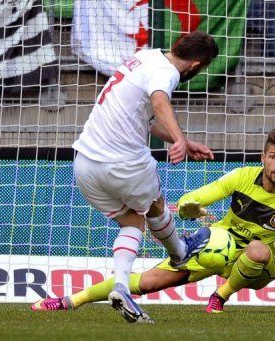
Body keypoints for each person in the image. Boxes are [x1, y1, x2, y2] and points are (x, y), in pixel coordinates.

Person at [32, 129, 275, 321]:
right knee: (145, 283)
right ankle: (68, 301)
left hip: (260, 266)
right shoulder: (241, 177)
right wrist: (188, 206)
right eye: (272, 157)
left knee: (259, 250)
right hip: (220, 248)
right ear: (262, 158)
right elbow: (195, 198)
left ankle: (219, 296)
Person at [31, 32, 219, 323]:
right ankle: (181, 253)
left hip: (84, 163)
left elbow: (143, 116)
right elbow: (159, 104)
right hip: (122, 163)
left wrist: (181, 140)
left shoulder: (144, 57)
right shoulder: (167, 73)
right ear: (195, 65)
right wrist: (179, 140)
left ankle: (121, 287)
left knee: (132, 221)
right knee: (156, 207)